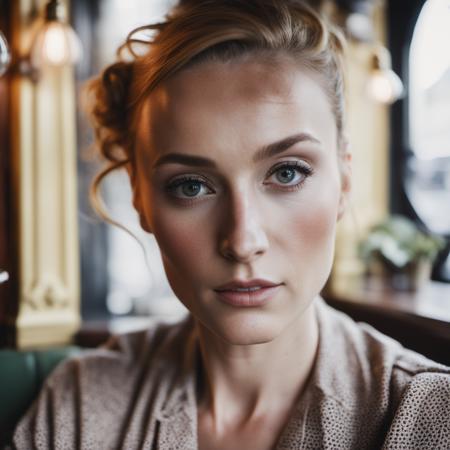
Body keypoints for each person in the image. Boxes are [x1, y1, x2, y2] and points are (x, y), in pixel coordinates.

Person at [13, 1, 450, 449]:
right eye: (190, 186)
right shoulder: (80, 406)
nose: (242, 241)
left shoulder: (428, 416)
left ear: (344, 181)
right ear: (140, 197)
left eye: (287, 173)